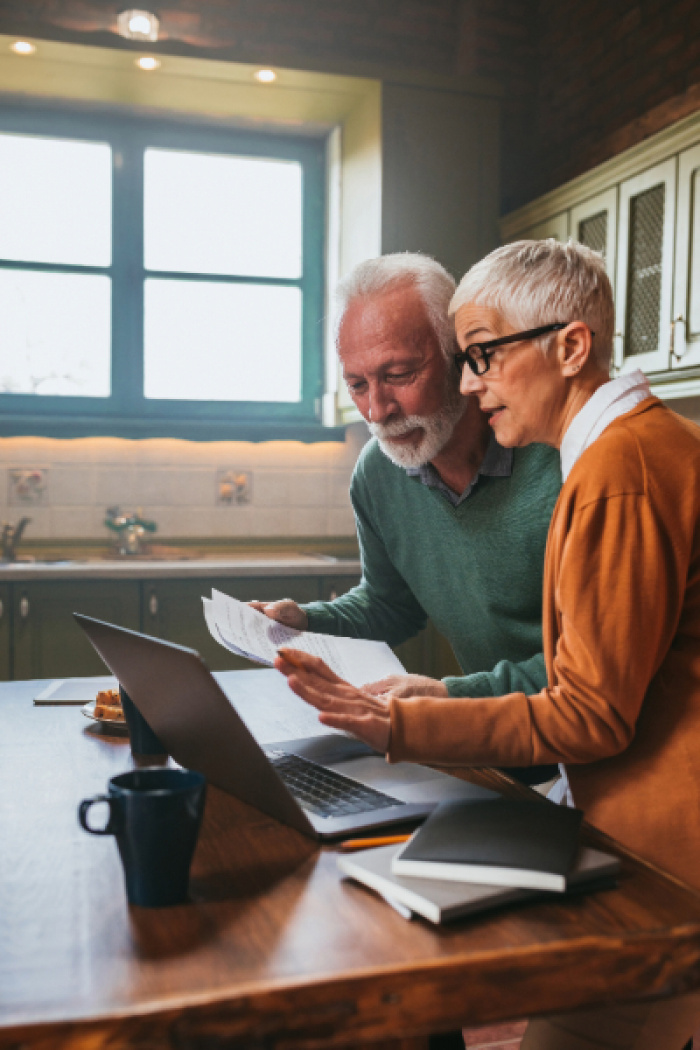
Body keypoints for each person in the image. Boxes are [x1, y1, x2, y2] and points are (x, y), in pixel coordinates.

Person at [274, 239, 700, 1049]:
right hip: (640, 819)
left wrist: (404, 721)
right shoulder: (625, 452)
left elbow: (589, 713)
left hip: (670, 851)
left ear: (571, 348)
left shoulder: (615, 470)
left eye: (482, 356)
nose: (473, 383)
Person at [252, 254, 561, 783]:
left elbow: (594, 670)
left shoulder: (558, 461)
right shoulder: (380, 471)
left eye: (398, 375)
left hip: (601, 754)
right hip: (500, 751)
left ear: (460, 359)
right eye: (357, 384)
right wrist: (304, 620)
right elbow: (389, 604)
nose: (377, 410)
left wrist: (445, 697)